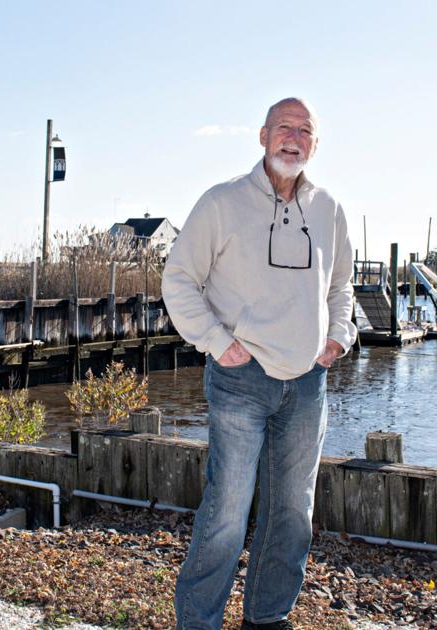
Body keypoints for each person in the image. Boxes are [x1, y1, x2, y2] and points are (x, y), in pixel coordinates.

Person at [161, 97, 357, 630]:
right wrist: (216, 341)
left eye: (305, 131)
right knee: (227, 509)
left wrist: (337, 338)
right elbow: (178, 279)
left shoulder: (329, 209)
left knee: (293, 513)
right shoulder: (222, 202)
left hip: (307, 384)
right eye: (283, 128)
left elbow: (341, 288)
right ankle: (198, 622)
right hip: (240, 380)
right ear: (263, 135)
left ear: (315, 144)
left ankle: (268, 618)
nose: (293, 138)